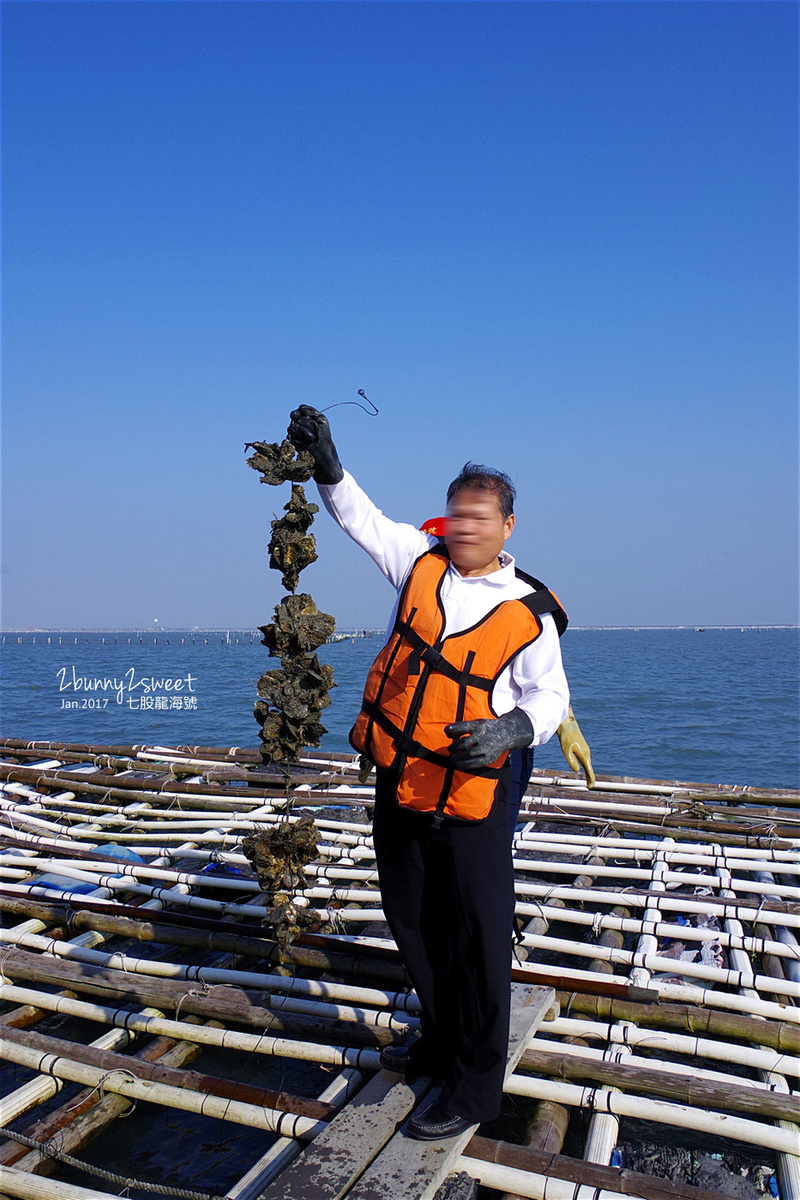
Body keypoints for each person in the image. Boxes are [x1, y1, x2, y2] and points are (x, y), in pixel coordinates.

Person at [288, 405, 576, 1140]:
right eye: (457, 515)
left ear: (508, 525)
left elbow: (551, 696)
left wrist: (513, 728)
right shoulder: (417, 561)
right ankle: (443, 1038)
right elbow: (360, 517)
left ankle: (476, 1088)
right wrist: (328, 459)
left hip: (480, 786)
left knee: (477, 930)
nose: (467, 528)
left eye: (482, 517)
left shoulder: (528, 610)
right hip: (404, 776)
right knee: (411, 913)